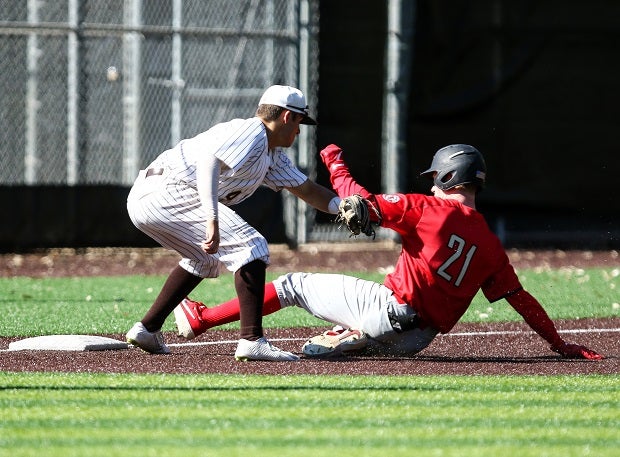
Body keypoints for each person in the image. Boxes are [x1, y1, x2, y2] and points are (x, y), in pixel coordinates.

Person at [172, 143, 603, 360]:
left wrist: (336, 165)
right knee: (367, 321)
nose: (433, 184)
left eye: (438, 177)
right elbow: (521, 300)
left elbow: (358, 208)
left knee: (290, 284)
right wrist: (560, 344)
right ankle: (355, 336)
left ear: (451, 177)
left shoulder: (429, 208)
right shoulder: (491, 245)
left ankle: (201, 317)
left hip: (389, 310)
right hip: (418, 340)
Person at [125, 85, 342, 361]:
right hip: (166, 190)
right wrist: (211, 218)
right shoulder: (251, 132)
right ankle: (252, 340)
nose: (299, 131)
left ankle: (148, 328)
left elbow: (308, 190)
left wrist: (342, 207)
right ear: (287, 117)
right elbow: (208, 162)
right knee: (252, 246)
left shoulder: (270, 153)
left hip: (151, 196)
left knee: (205, 260)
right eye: (299, 122)